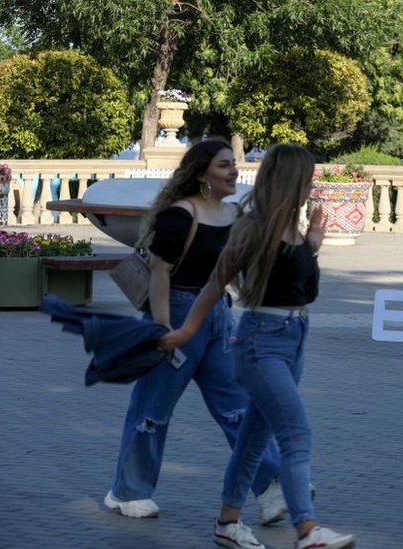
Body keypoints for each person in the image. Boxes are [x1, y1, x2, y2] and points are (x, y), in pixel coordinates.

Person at [160, 144, 354, 549]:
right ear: (290, 181)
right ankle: (307, 530)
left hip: (294, 337)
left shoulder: (293, 230)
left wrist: (312, 247)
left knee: (252, 439)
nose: (310, 187)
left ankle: (227, 523)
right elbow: (215, 283)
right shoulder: (251, 227)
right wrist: (184, 331)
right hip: (260, 342)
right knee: (296, 435)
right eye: (307, 179)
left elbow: (307, 293)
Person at [106, 140, 300, 527]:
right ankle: (129, 492)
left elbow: (243, 271)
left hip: (218, 318)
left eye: (234, 164)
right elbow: (160, 273)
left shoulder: (235, 215)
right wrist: (163, 328)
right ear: (201, 174)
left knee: (237, 408)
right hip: (175, 315)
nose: (233, 172)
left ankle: (271, 487)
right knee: (152, 410)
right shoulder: (179, 216)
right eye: (224, 165)